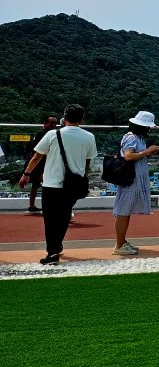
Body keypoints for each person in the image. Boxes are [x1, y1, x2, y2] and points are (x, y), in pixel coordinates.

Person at [18, 104, 96, 265]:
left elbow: (37, 157)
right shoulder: (89, 136)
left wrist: (26, 174)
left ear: (64, 117)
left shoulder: (53, 134)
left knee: (50, 219)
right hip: (73, 185)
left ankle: (52, 251)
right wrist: (82, 176)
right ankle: (56, 245)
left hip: (52, 183)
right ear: (82, 119)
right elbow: (87, 161)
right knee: (64, 216)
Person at [113, 111, 159, 256]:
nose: (148, 130)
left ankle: (122, 241)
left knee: (126, 212)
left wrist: (146, 152)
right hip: (130, 180)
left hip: (134, 179)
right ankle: (119, 244)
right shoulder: (131, 138)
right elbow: (128, 156)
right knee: (123, 212)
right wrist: (147, 151)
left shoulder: (137, 138)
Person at [24, 116, 58, 214]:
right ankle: (44, 207)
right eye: (52, 123)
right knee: (46, 185)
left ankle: (32, 206)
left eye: (55, 123)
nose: (54, 125)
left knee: (36, 184)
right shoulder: (45, 134)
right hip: (42, 163)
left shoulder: (41, 133)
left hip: (40, 162)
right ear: (45, 123)